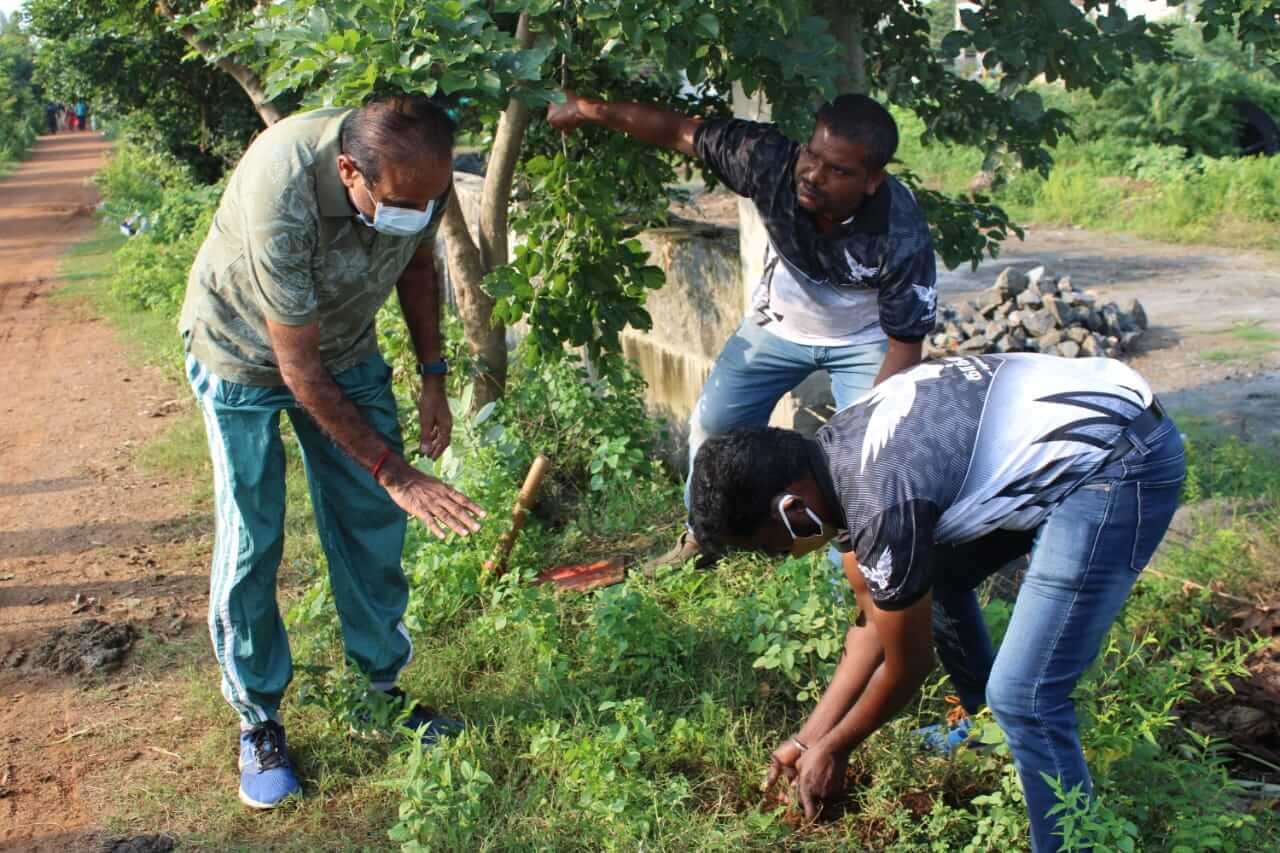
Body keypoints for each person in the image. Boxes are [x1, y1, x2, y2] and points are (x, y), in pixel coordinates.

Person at [688, 353, 1185, 852]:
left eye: (764, 547)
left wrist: (837, 748)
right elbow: (871, 625)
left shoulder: (881, 500)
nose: (774, 559)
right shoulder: (830, 464)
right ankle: (986, 731)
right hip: (1092, 419)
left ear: (791, 509)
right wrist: (807, 740)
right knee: (927, 579)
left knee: (1026, 697)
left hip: (1118, 460)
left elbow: (909, 664)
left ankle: (1068, 842)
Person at [179, 95, 487, 810]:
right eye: (403, 201)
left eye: (430, 200)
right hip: (243, 356)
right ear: (349, 170)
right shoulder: (279, 186)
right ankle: (260, 722)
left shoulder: (419, 177)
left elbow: (415, 267)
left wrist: (433, 377)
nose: (420, 210)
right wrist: (394, 468)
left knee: (370, 524)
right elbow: (299, 371)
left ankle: (380, 690)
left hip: (345, 348)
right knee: (253, 536)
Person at [547, 89, 937, 573]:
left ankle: (854, 585)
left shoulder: (900, 232)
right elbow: (677, 131)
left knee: (866, 465)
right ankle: (701, 539)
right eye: (812, 156)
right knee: (711, 427)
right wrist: (587, 109)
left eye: (838, 171)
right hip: (774, 328)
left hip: (864, 344)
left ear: (872, 180)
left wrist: (870, 435)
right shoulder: (769, 162)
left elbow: (905, 347)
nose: (814, 175)